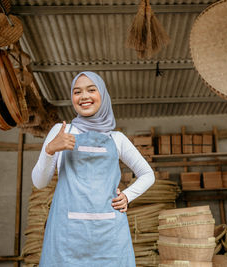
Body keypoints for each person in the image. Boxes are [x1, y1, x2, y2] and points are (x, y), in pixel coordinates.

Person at [31, 71, 155, 266]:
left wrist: (128, 196)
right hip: (67, 236)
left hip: (109, 236)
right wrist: (50, 150)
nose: (84, 96)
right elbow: (39, 182)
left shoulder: (117, 139)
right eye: (77, 91)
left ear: (102, 95)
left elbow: (147, 174)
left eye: (91, 90)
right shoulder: (62, 131)